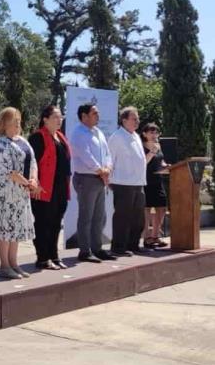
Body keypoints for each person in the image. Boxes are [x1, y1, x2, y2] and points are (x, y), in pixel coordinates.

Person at [0, 107, 38, 279]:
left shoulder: (22, 141)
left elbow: (33, 162)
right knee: (4, 227)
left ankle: (14, 263)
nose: (18, 123)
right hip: (4, 192)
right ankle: (4, 265)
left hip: (20, 193)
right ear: (4, 123)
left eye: (19, 119)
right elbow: (9, 171)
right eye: (13, 120)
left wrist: (33, 179)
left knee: (16, 227)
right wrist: (28, 184)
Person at [69, 104, 116, 263]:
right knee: (86, 216)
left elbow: (107, 153)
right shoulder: (78, 133)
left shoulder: (98, 132)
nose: (98, 115)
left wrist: (108, 168)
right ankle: (84, 251)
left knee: (99, 216)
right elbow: (86, 156)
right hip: (86, 179)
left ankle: (97, 248)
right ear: (84, 116)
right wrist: (101, 171)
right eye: (94, 113)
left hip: (100, 179)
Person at [28, 105, 71, 270]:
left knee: (56, 223)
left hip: (60, 187)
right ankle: (42, 258)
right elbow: (32, 164)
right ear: (45, 119)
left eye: (61, 117)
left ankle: (54, 255)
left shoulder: (60, 136)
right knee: (43, 223)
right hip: (44, 188)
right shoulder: (37, 138)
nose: (59, 120)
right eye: (55, 117)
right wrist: (35, 183)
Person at [108, 107, 147, 257]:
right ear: (124, 120)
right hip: (122, 183)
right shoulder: (117, 137)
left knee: (138, 217)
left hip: (138, 183)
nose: (137, 121)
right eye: (134, 119)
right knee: (123, 217)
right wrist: (109, 180)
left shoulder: (136, 136)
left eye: (137, 118)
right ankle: (118, 247)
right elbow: (109, 159)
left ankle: (133, 244)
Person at [141, 123, 169, 249]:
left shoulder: (159, 146)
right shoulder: (141, 146)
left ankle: (155, 235)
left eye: (156, 132)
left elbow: (160, 160)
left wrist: (166, 165)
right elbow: (143, 162)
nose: (154, 135)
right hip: (145, 180)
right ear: (144, 134)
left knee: (162, 207)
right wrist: (152, 152)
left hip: (158, 180)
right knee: (146, 209)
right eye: (151, 132)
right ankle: (147, 238)